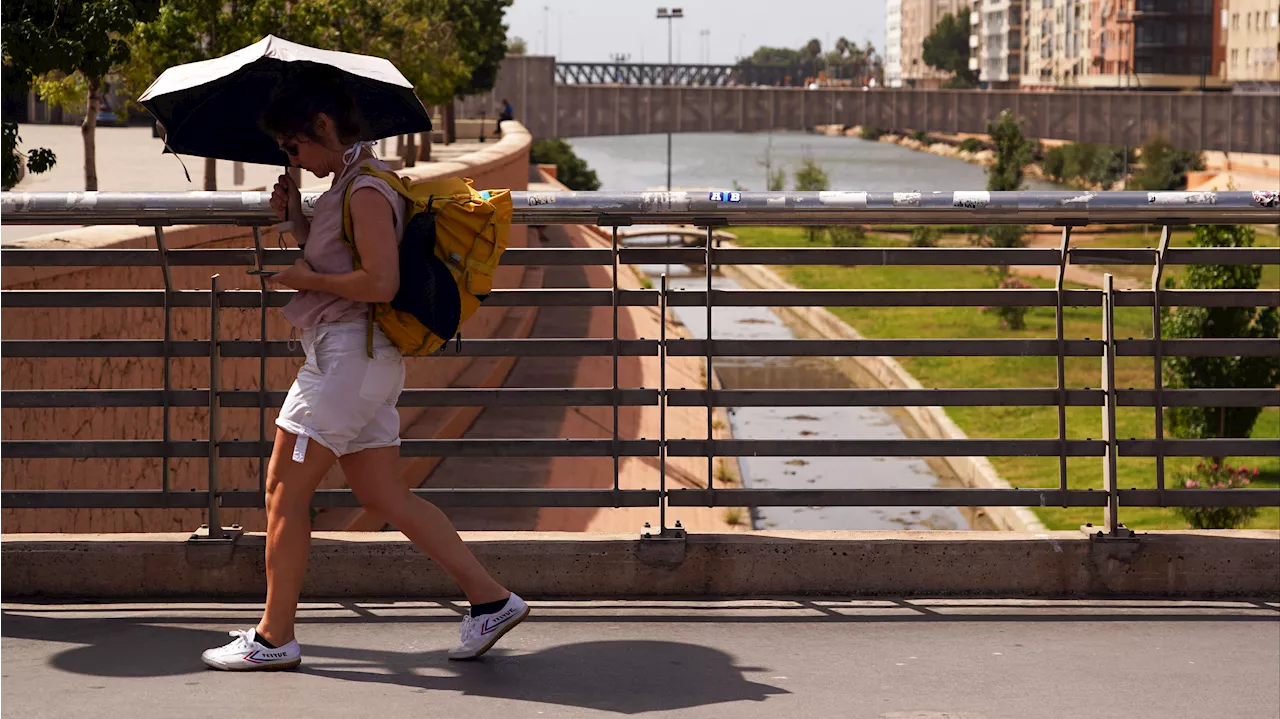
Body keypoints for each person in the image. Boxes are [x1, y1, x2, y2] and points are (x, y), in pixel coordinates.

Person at [201, 66, 528, 672]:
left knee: (282, 491)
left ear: (323, 125)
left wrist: (304, 278)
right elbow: (345, 256)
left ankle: (274, 638)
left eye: (295, 145)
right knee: (384, 494)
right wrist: (297, 217)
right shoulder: (351, 184)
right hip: (360, 361)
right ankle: (491, 600)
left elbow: (381, 282)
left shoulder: (367, 191)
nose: (293, 156)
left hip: (347, 361)